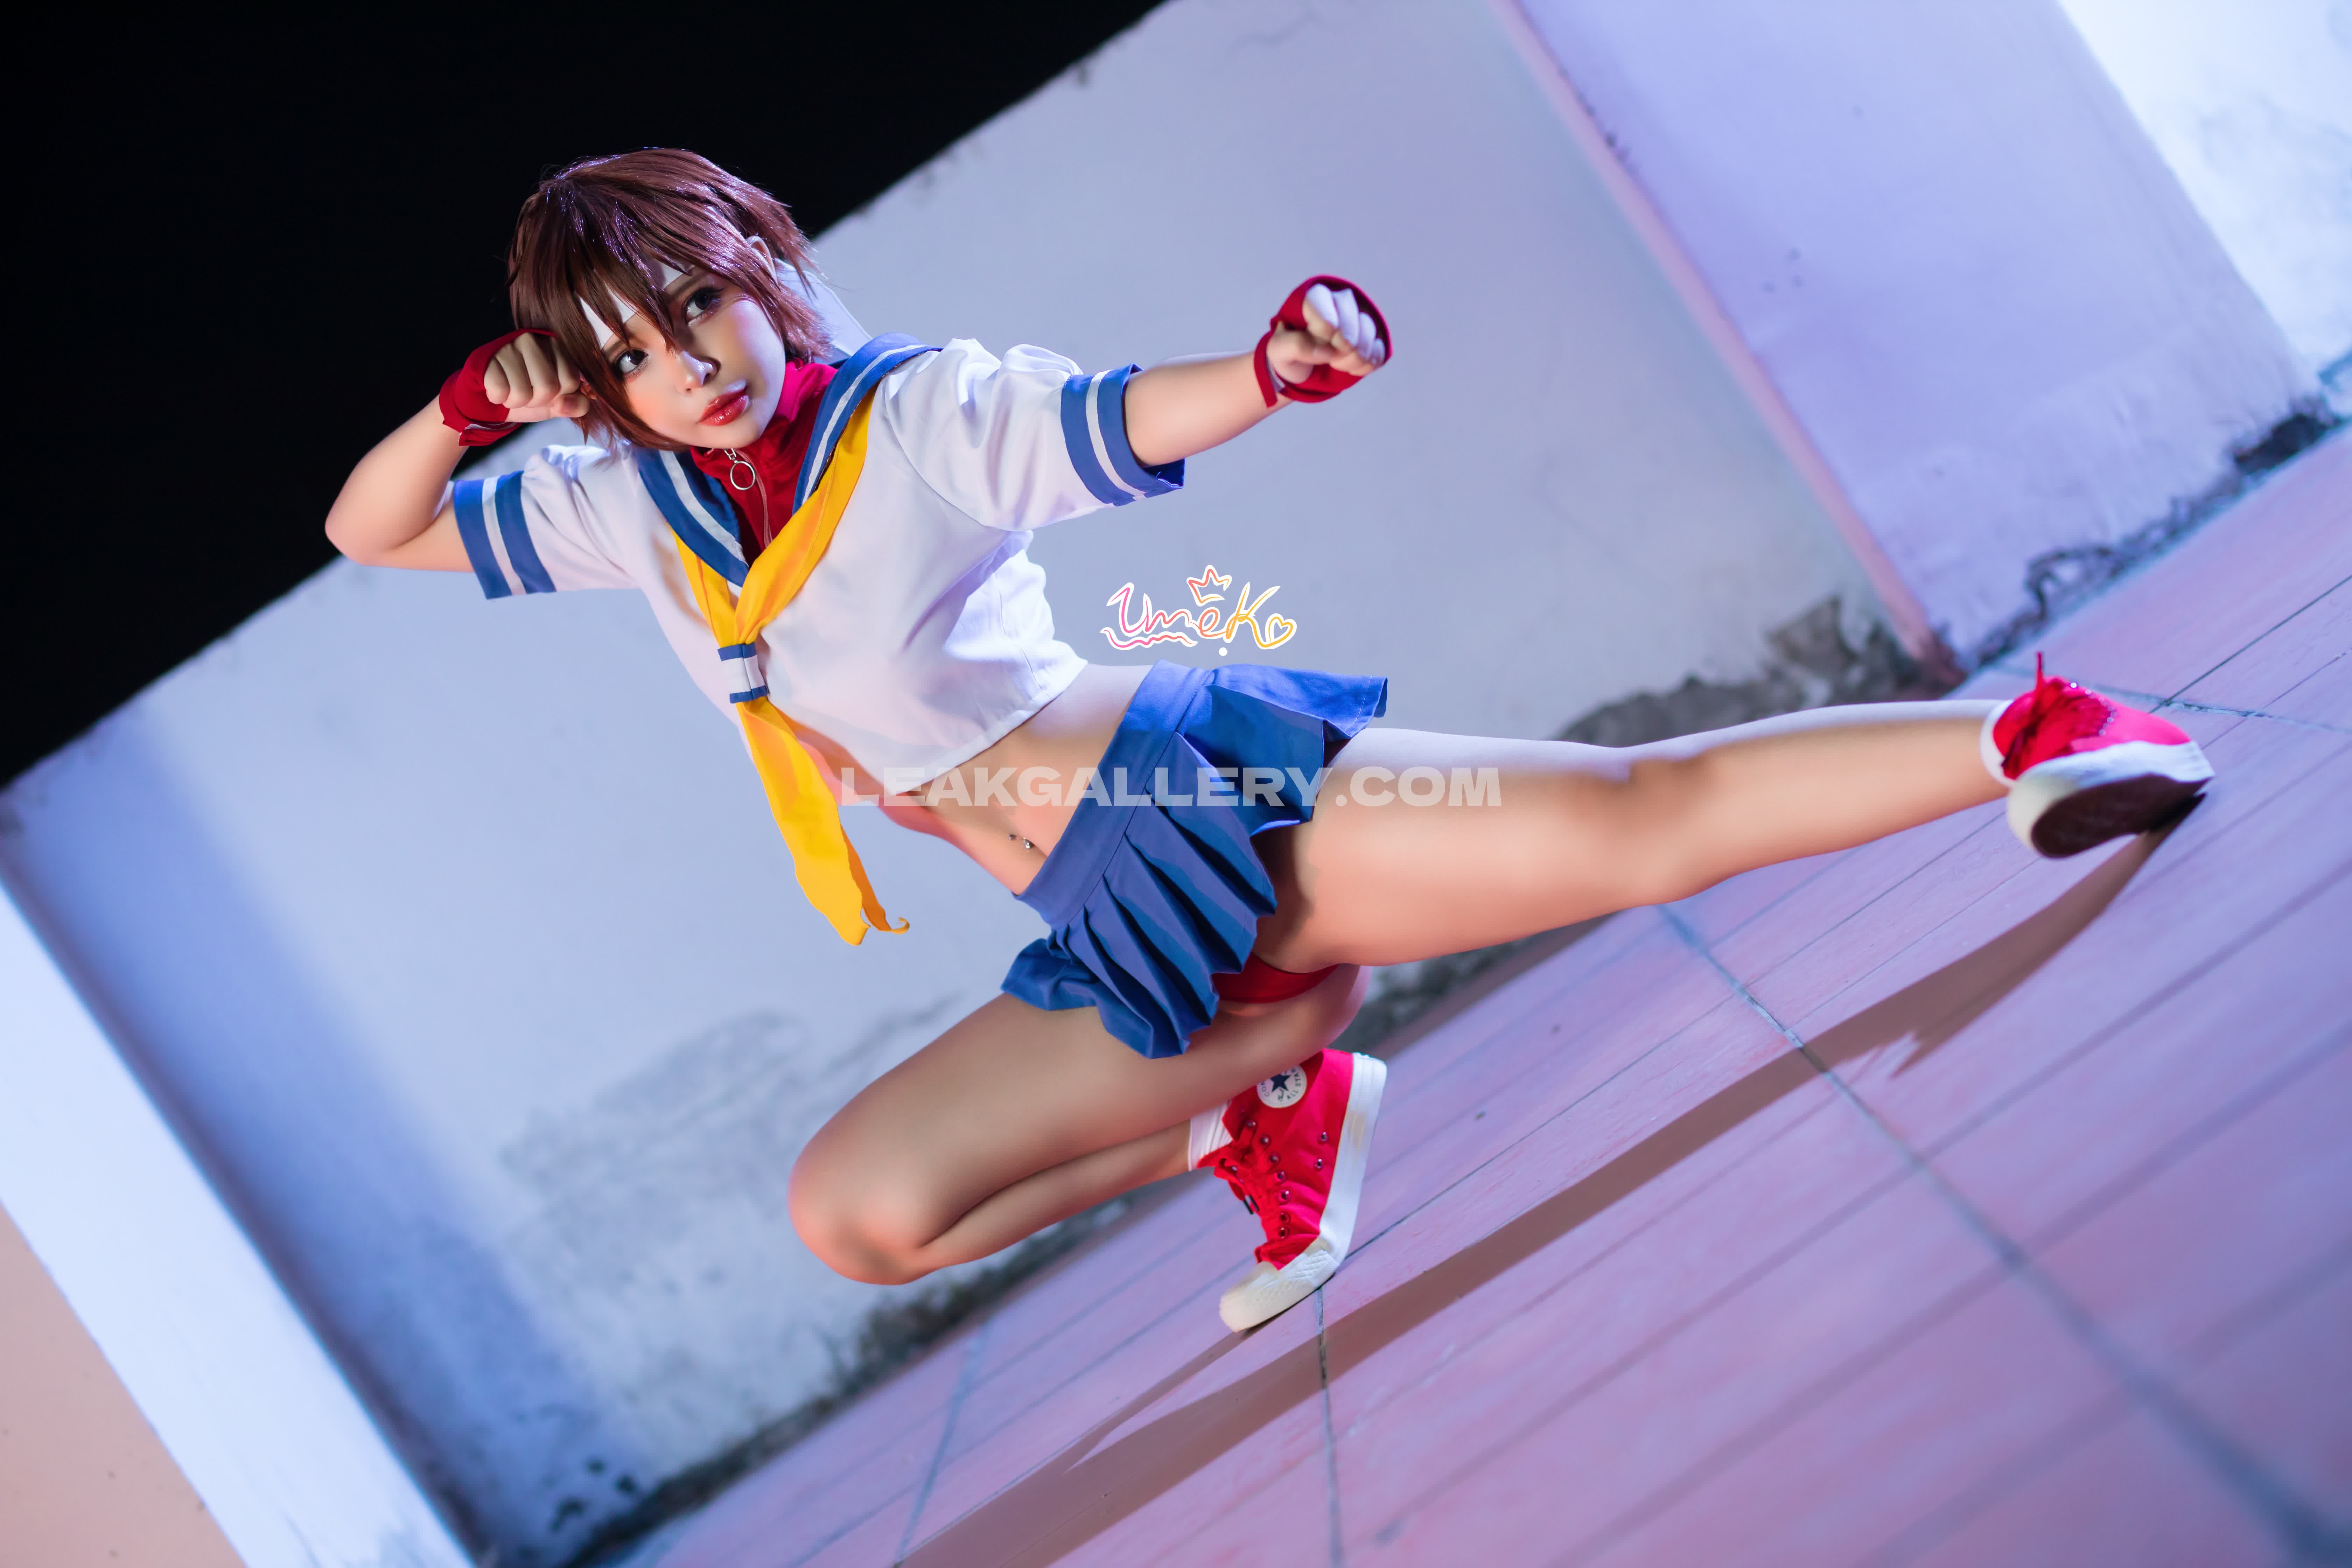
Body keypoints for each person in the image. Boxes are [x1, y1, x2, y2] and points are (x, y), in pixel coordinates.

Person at [326, 149, 2214, 1332]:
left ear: (764, 269)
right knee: (863, 1218)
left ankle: (2045, 732)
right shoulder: (625, 508)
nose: (690, 361)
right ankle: (1265, 1116)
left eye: (702, 302)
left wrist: (1265, 375)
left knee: (1640, 824)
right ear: (597, 388)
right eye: (632, 350)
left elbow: (1101, 420)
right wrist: (472, 405)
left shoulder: (913, 416)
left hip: (1191, 808)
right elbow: (372, 527)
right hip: (1114, 935)